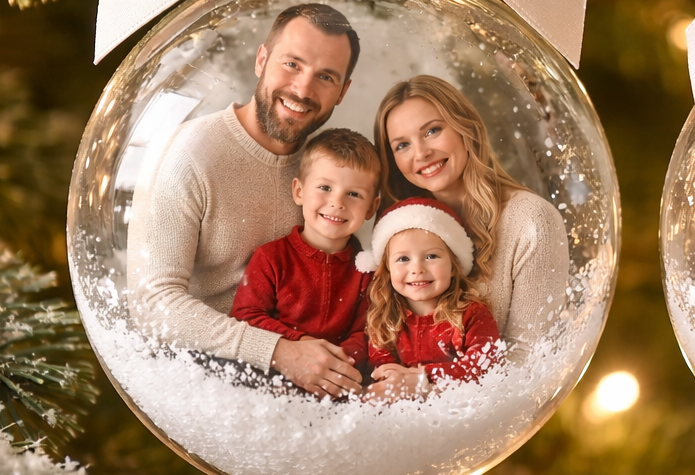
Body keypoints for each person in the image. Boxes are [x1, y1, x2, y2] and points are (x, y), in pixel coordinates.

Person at [127, 2, 367, 399]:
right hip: (203, 383)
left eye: (325, 76)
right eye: (292, 64)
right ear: (262, 59)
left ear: (342, 92)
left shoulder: (323, 175)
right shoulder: (191, 154)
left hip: (311, 376)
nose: (303, 89)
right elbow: (152, 304)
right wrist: (277, 352)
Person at [372, 76, 567, 355]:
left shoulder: (532, 221)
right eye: (402, 145)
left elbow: (530, 361)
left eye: (432, 131)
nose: (421, 153)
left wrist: (424, 383)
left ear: (467, 128)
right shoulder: (402, 229)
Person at [228, 129, 381, 375]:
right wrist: (300, 343)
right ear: (299, 192)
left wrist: (338, 360)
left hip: (339, 375)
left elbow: (366, 332)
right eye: (325, 187)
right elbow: (245, 317)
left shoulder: (367, 270)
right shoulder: (271, 257)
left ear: (371, 208)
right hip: (274, 375)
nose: (337, 203)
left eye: (354, 194)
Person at [355, 197, 502, 399]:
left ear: (453, 266)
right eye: (403, 259)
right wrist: (392, 378)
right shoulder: (383, 319)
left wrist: (420, 377)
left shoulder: (472, 314)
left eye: (431, 256)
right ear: (388, 270)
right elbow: (383, 370)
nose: (417, 269)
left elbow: (484, 367)